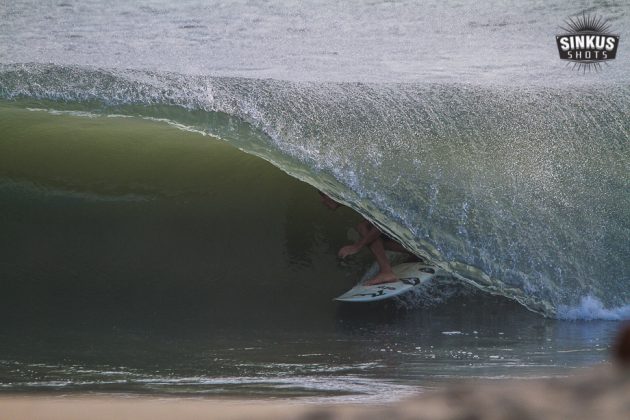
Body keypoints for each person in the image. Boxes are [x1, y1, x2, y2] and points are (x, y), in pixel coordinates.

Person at [319, 191, 414, 285]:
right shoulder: (351, 197)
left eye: (322, 195)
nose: (321, 200)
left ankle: (386, 272)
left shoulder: (356, 194)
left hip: (409, 211)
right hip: (405, 212)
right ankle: (415, 253)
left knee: (365, 227)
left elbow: (382, 224)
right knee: (371, 234)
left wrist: (357, 246)